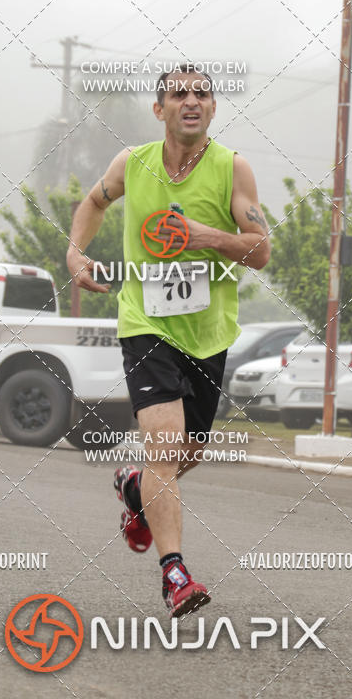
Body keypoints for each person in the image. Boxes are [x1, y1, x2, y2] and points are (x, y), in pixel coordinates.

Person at [66, 63, 270, 616]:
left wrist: (206, 236)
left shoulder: (233, 169)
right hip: (145, 323)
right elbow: (93, 202)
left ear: (212, 108)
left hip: (208, 334)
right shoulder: (132, 164)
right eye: (179, 94)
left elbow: (262, 248)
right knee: (164, 445)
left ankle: (136, 490)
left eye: (202, 93)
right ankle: (174, 573)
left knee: (185, 454)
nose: (191, 100)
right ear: (160, 109)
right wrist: (76, 251)